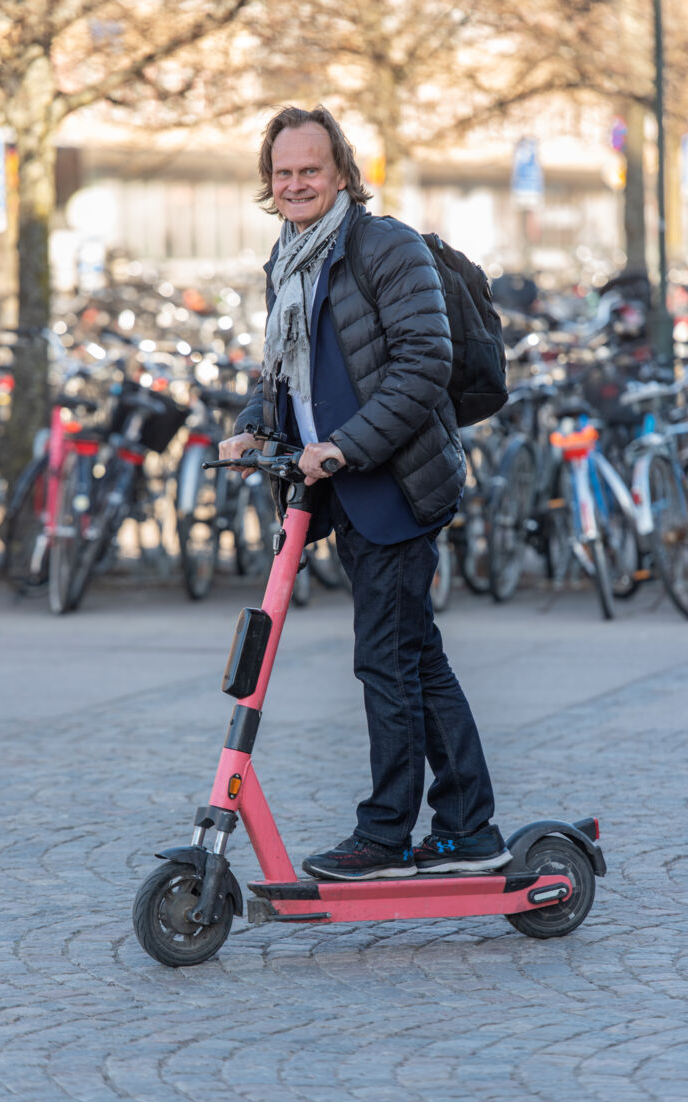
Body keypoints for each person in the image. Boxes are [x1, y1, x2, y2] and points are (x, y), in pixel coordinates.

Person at [219, 105, 512, 881]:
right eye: (282, 173)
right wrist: (254, 423)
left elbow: (423, 365)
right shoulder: (287, 257)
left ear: (341, 173)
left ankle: (385, 836)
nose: (294, 184)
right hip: (342, 490)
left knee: (386, 659)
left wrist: (346, 445)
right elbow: (285, 372)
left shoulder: (387, 247)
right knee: (415, 656)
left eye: (309, 170)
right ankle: (470, 828)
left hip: (397, 485)